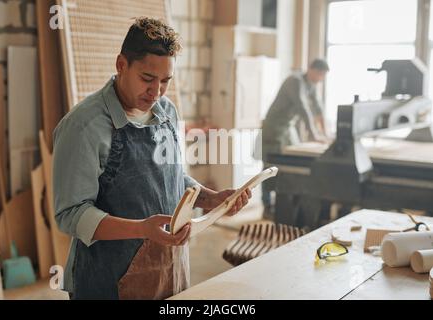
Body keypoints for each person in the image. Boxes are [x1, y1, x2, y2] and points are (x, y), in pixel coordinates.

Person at [53, 17, 251, 300]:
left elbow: (170, 179)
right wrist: (142, 229)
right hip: (108, 281)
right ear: (121, 65)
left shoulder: (167, 112)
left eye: (165, 81)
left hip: (169, 270)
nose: (156, 92)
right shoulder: (84, 126)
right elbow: (70, 214)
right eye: (147, 79)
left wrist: (213, 199)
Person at [259, 59, 330, 223]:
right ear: (311, 70)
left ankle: (285, 207)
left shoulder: (310, 85)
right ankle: (267, 207)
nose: (321, 79)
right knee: (269, 167)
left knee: (290, 165)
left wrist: (325, 134)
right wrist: (314, 135)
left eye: (323, 76)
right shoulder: (295, 81)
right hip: (274, 128)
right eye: (320, 74)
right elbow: (303, 108)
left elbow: (318, 109)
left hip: (288, 128)